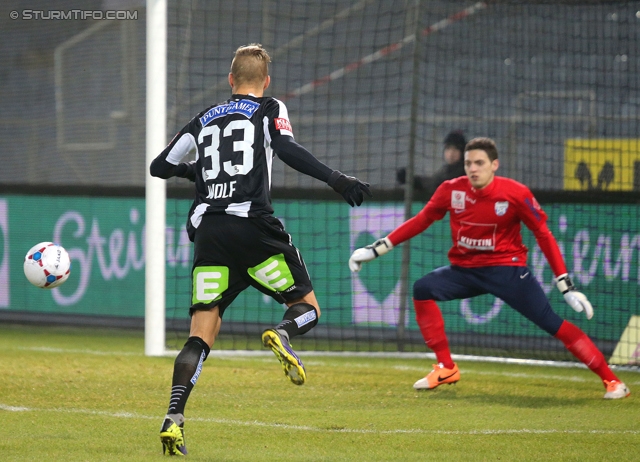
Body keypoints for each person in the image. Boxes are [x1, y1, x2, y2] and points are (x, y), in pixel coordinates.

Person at [150, 43, 371, 456]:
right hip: (252, 227)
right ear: (265, 81)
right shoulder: (269, 108)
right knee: (307, 307)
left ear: (230, 80)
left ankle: (173, 417)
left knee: (201, 332)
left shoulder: (202, 119)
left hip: (209, 233)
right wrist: (336, 179)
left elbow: (158, 167)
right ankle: (283, 333)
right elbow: (285, 149)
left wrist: (194, 171)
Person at [350, 137, 630, 400]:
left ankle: (612, 381)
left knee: (551, 323)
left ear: (494, 165)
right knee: (423, 289)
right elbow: (422, 220)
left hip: (507, 272)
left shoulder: (515, 194)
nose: (473, 169)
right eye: (468, 163)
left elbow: (543, 234)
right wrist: (378, 248)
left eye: (479, 163)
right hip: (465, 271)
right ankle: (446, 367)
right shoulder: (451, 189)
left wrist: (565, 284)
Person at [396, 130, 467, 194]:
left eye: (456, 149)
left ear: (462, 152)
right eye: (448, 149)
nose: (451, 154)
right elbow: (432, 182)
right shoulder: (446, 170)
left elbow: (434, 183)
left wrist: (412, 180)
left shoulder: (464, 171)